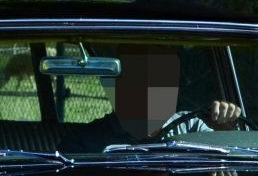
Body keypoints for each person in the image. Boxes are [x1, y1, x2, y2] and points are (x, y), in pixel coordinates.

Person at [57, 44, 241, 154]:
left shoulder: (190, 126)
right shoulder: (84, 143)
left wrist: (225, 133)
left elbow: (237, 161)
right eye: (142, 80)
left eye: (166, 82)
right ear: (120, 87)